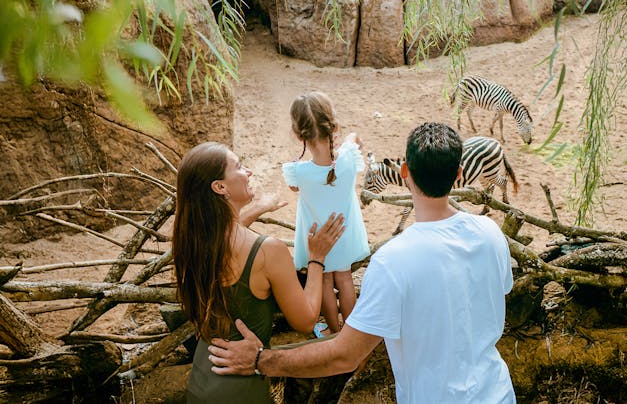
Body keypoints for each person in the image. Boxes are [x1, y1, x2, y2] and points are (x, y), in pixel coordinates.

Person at [207, 122, 517, 403]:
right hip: (499, 394)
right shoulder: (491, 233)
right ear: (460, 174)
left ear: (405, 171)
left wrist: (261, 360)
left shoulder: (394, 260)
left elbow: (345, 355)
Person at [172, 141, 346, 403]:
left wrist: (260, 207)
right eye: (239, 166)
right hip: (242, 390)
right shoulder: (268, 251)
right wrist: (316, 258)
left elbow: (229, 231)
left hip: (202, 382)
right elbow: (307, 319)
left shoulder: (190, 243)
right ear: (219, 187)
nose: (249, 172)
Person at [281, 91, 370, 336]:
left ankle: (334, 330)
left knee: (325, 281)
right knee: (345, 279)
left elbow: (294, 186)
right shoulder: (349, 158)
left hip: (318, 240)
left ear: (299, 134)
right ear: (334, 126)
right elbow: (355, 139)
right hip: (345, 234)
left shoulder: (297, 172)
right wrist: (349, 139)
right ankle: (352, 332)